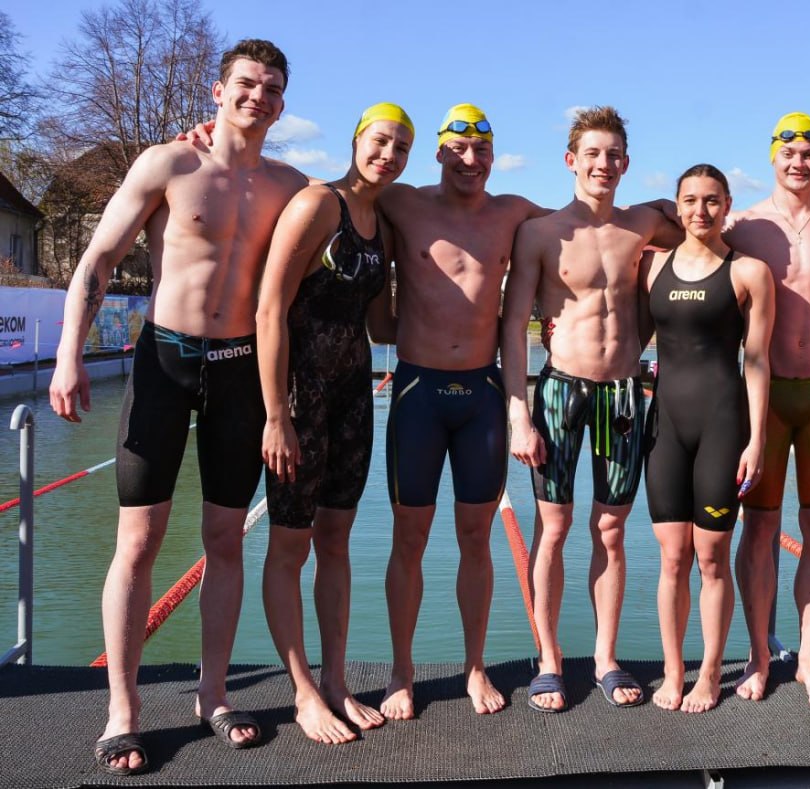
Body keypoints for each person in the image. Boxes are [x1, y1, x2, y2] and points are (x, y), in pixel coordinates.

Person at [48, 40, 307, 774]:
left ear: (282, 104)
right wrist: (68, 355)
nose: (258, 96)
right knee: (138, 539)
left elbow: (354, 206)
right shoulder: (169, 164)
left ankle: (213, 694)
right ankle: (122, 709)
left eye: (272, 89)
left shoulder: (290, 186)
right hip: (164, 362)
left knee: (225, 538)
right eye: (246, 84)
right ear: (218, 90)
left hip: (239, 371)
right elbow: (99, 258)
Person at [502, 105, 683, 713]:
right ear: (570, 160)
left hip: (623, 394)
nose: (603, 164)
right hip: (560, 391)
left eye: (613, 155)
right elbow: (512, 328)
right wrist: (518, 415)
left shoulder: (644, 225)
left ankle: (605, 657)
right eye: (592, 154)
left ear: (626, 163)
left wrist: (665, 203)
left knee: (610, 530)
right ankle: (549, 660)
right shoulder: (541, 233)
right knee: (552, 529)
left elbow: (707, 226)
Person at [375, 103, 550, 718]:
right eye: (459, 150)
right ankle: (402, 671)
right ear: (439, 155)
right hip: (418, 392)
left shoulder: (514, 212)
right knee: (409, 539)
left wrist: (699, 217)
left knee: (477, 538)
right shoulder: (402, 203)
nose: (471, 161)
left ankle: (476, 666)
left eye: (482, 151)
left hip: (482, 395)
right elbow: (329, 190)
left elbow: (590, 223)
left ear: (493, 157)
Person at [255, 103, 411, 744]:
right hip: (300, 397)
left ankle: (337, 680)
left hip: (352, 397)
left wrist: (472, 312)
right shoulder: (319, 205)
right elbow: (270, 308)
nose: (389, 155)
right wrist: (276, 415)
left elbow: (383, 326)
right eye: (380, 141)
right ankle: (303, 693)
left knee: (337, 541)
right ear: (356, 140)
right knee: (289, 544)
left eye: (401, 147)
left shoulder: (382, 226)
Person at [723, 111, 810, 707]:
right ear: (772, 157)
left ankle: (808, 657)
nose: (799, 161)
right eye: (789, 152)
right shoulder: (742, 227)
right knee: (758, 528)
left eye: (809, 153)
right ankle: (759, 655)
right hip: (766, 397)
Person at [641, 164, 774, 713]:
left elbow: (758, 361)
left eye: (712, 200)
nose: (701, 210)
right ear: (676, 207)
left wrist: (756, 440)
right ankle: (674, 670)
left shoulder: (749, 272)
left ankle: (712, 672)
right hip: (664, 428)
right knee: (672, 558)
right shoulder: (651, 266)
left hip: (722, 425)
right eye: (691, 200)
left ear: (727, 205)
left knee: (712, 556)